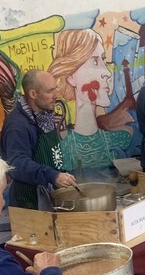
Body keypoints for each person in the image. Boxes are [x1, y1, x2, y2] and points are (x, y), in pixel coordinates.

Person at [47, 29, 132, 171]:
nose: (107, 73)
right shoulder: (62, 148)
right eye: (95, 61)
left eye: (103, 60)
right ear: (71, 77)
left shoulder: (119, 139)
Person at [1, 69, 77, 209]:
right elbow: (16, 165)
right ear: (33, 94)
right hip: (29, 203)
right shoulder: (17, 125)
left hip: (49, 197)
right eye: (50, 91)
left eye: (55, 89)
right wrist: (52, 176)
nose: (56, 95)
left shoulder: (45, 116)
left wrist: (60, 175)